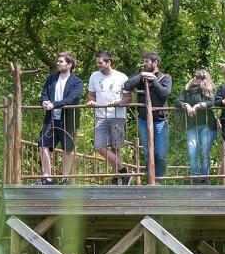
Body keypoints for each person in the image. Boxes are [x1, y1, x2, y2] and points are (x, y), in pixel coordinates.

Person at [123, 52, 172, 182]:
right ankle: (151, 179)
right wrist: (141, 75)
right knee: (147, 152)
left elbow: (164, 94)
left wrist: (153, 80)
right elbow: (127, 85)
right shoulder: (141, 77)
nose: (144, 64)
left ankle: (159, 179)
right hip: (144, 120)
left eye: (146, 62)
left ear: (155, 63)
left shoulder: (165, 77)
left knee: (160, 153)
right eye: (143, 61)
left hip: (160, 121)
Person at [36, 52, 83, 185]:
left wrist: (53, 104)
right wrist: (44, 102)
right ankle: (47, 177)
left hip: (68, 120)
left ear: (69, 65)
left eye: (61, 61)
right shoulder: (51, 78)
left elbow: (71, 99)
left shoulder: (77, 81)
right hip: (51, 119)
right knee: (43, 144)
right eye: (58, 61)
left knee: (68, 149)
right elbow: (44, 94)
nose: (58, 63)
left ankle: (65, 178)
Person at [87, 51, 130, 184]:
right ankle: (124, 171)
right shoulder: (94, 76)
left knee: (115, 148)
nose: (98, 65)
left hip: (117, 116)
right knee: (99, 146)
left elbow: (128, 98)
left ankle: (116, 178)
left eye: (100, 63)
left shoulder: (122, 77)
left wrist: (119, 103)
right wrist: (91, 101)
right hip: (100, 116)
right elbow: (91, 94)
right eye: (97, 62)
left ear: (108, 62)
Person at [175, 70, 218, 184]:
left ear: (203, 80)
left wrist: (199, 105)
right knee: (192, 151)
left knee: (204, 152)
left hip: (207, 125)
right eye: (194, 76)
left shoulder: (209, 90)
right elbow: (178, 101)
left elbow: (213, 102)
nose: (195, 79)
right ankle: (195, 177)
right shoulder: (187, 90)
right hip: (191, 126)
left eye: (198, 77)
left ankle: (204, 179)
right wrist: (186, 105)